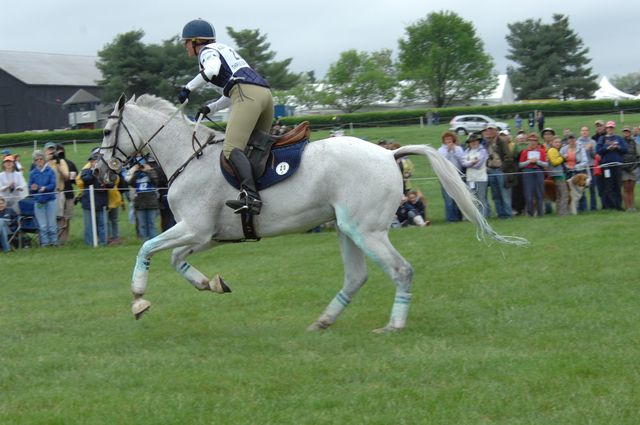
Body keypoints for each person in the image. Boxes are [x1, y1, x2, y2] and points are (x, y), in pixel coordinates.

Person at [178, 18, 273, 215]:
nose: (185, 47)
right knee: (257, 147)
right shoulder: (225, 50)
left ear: (196, 41)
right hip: (264, 95)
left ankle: (252, 198)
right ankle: (269, 190)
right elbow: (232, 90)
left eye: (186, 42)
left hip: (246, 95)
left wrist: (188, 88)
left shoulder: (207, 51)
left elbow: (212, 70)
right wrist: (210, 108)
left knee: (231, 149)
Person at [77, 152, 113, 246]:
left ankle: (103, 243)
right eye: (93, 161)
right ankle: (89, 244)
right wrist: (95, 172)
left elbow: (111, 183)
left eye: (96, 161)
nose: (94, 163)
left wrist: (106, 184)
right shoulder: (86, 171)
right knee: (89, 226)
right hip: (88, 203)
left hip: (102, 202)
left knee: (102, 224)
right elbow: (85, 179)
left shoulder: (105, 172)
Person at [482, 125, 514, 218]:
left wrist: (503, 168)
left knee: (505, 194)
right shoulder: (487, 143)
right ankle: (501, 214)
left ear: (496, 131)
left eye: (491, 130)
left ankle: (508, 214)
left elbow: (508, 156)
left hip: (500, 170)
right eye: (488, 130)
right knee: (495, 194)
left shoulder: (501, 141)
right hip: (491, 170)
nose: (489, 132)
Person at [28, 150, 58, 247]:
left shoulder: (50, 171)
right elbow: (30, 188)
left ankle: (54, 242)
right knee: (43, 225)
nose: (39, 161)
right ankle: (45, 244)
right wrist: (32, 188)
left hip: (50, 200)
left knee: (52, 224)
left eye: (41, 159)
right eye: (37, 159)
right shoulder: (33, 173)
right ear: (34, 161)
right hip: (38, 202)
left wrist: (45, 188)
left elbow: (53, 184)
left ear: (44, 159)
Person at [126, 158, 160, 241]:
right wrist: (136, 171)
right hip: (140, 202)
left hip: (151, 201)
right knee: (142, 224)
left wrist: (148, 171)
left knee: (151, 223)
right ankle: (144, 240)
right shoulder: (137, 174)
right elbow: (131, 183)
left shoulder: (151, 172)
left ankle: (153, 240)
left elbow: (155, 182)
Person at [596, 121, 627, 210]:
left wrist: (618, 147)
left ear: (614, 128)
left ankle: (618, 206)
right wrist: (608, 148)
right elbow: (598, 150)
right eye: (609, 127)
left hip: (617, 165)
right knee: (608, 186)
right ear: (606, 128)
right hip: (606, 166)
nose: (610, 129)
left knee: (617, 185)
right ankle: (610, 205)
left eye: (612, 127)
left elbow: (625, 149)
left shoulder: (619, 138)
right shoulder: (602, 138)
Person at [519, 133, 548, 217]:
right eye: (530, 140)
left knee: (540, 193)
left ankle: (540, 213)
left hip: (538, 171)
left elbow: (546, 164)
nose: (532, 142)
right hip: (527, 172)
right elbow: (520, 165)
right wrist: (529, 161)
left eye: (534, 140)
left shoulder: (541, 151)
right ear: (528, 142)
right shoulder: (525, 152)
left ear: (537, 142)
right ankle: (530, 213)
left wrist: (537, 162)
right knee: (528, 193)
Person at [437, 131, 464, 222]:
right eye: (446, 139)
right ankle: (450, 218)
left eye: (450, 138)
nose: (448, 140)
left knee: (458, 197)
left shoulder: (459, 148)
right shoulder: (440, 150)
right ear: (443, 140)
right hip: (446, 177)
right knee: (448, 198)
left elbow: (462, 160)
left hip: (457, 176)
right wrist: (448, 151)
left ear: (453, 139)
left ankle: (459, 217)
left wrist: (454, 150)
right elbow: (442, 161)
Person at [461, 133, 489, 217]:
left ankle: (484, 216)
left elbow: (478, 165)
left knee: (482, 198)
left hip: (481, 178)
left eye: (475, 141)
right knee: (473, 198)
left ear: (478, 142)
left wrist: (469, 162)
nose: (473, 143)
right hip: (470, 179)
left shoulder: (483, 151)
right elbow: (463, 163)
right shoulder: (466, 151)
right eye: (471, 141)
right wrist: (472, 162)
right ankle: (477, 216)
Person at [55, 143, 78, 244]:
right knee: (59, 217)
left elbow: (75, 180)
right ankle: (59, 238)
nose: (60, 152)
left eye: (60, 150)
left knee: (67, 217)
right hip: (57, 194)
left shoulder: (70, 164)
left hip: (68, 194)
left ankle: (65, 238)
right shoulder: (52, 164)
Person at [576, 126, 598, 211]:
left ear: (588, 132)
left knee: (592, 188)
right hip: (582, 168)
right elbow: (577, 155)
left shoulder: (592, 142)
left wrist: (592, 149)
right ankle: (583, 207)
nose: (584, 132)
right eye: (583, 131)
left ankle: (593, 207)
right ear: (580, 132)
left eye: (586, 130)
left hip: (591, 166)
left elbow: (594, 155)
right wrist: (585, 149)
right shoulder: (578, 142)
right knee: (582, 188)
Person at [547, 136, 569, 216]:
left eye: (559, 142)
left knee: (559, 195)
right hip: (557, 175)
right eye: (556, 142)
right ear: (552, 143)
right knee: (564, 194)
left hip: (558, 174)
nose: (558, 144)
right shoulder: (552, 150)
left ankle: (560, 212)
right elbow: (554, 162)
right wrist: (562, 157)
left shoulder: (556, 150)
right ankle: (563, 212)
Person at [620, 126, 638, 211]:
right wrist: (624, 166)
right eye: (624, 131)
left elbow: (637, 154)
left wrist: (634, 166)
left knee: (631, 188)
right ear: (623, 133)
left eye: (627, 131)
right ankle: (628, 207)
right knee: (626, 189)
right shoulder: (620, 141)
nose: (626, 133)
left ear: (630, 132)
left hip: (633, 168)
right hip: (624, 168)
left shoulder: (634, 142)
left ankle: (632, 207)